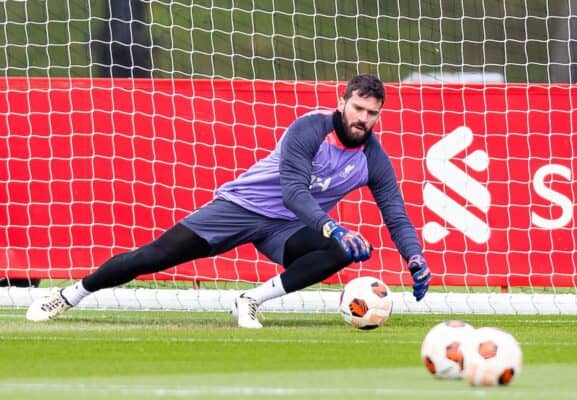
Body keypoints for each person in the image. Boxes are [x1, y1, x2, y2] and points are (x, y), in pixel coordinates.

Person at [26, 74, 431, 328]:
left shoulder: (373, 159)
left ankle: (251, 301)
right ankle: (71, 295)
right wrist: (332, 224)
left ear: (379, 116)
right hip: (239, 208)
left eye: (372, 113)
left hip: (286, 229)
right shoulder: (309, 129)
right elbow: (292, 191)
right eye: (357, 108)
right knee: (152, 257)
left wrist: (414, 257)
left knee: (343, 250)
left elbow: (395, 213)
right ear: (342, 103)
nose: (363, 118)